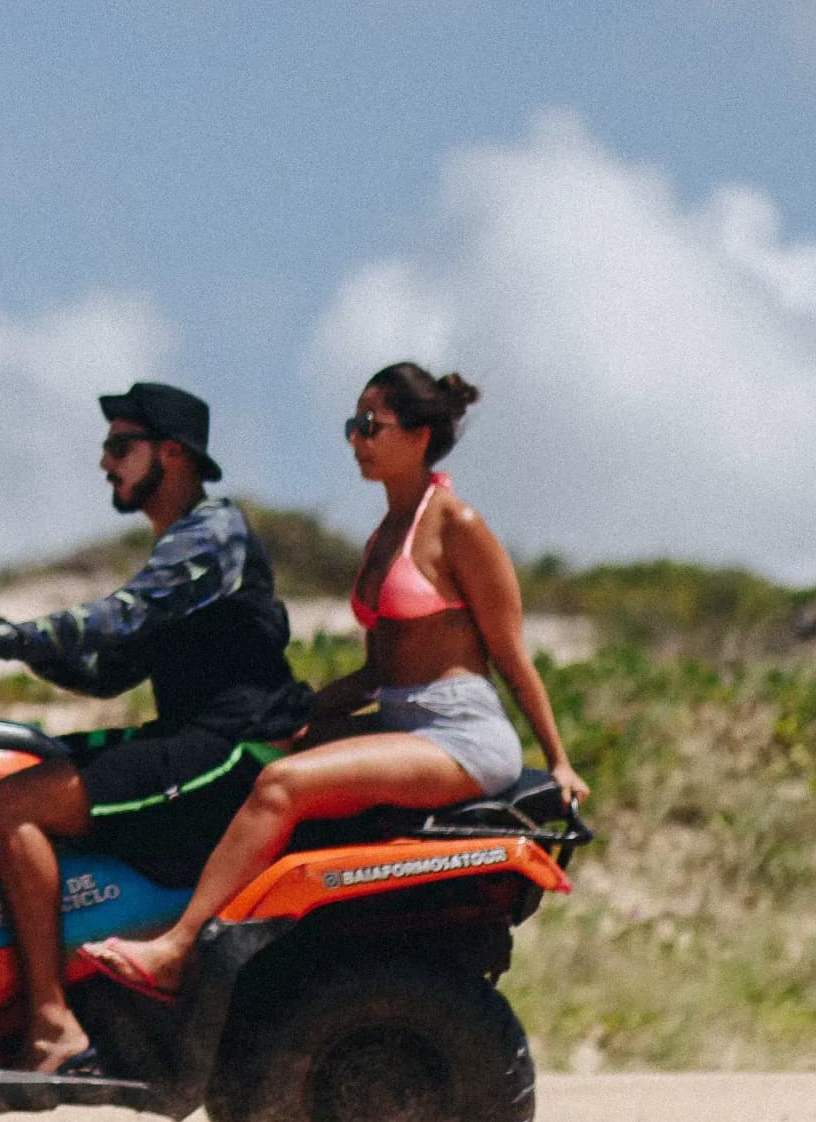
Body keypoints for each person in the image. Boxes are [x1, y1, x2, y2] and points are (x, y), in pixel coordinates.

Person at [85, 363, 586, 1000]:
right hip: (403, 720)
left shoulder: (458, 526)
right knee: (261, 754)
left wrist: (560, 759)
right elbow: (379, 674)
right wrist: (301, 713)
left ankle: (178, 949)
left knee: (280, 785)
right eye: (353, 426)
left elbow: (511, 652)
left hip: (461, 734)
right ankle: (239, 936)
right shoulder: (384, 536)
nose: (356, 440)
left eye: (370, 426)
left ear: (419, 434)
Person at [0, 382, 306, 1074]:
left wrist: (2, 638)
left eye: (118, 447)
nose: (105, 462)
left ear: (171, 453)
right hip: (196, 734)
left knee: (14, 806)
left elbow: (121, 615)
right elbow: (108, 672)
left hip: (230, 745)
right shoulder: (179, 545)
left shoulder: (212, 531)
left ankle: (52, 1025)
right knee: (7, 772)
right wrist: (11, 646)